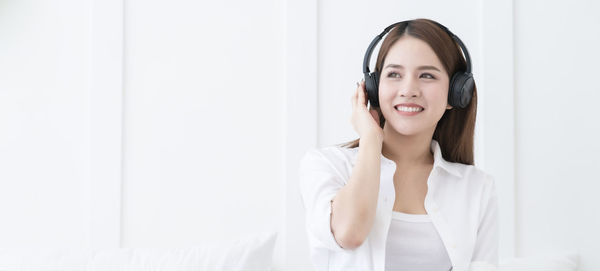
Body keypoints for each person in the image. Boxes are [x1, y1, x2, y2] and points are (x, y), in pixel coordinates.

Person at [298, 18, 499, 271]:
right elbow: (349, 233)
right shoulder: (326, 165)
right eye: (394, 74)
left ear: (456, 93)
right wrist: (371, 140)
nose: (408, 89)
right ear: (372, 88)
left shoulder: (477, 188)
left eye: (427, 75)